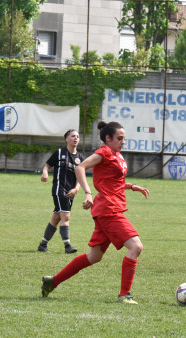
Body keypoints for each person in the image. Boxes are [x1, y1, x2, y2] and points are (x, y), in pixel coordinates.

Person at [41, 121, 150, 304]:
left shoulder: (118, 156)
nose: (123, 142)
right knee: (136, 247)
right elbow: (80, 167)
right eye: (119, 138)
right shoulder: (105, 152)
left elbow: (112, 182)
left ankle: (53, 281)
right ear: (108, 138)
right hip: (109, 210)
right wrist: (88, 192)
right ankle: (124, 295)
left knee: (94, 256)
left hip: (108, 209)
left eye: (124, 138)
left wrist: (131, 186)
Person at [38, 129, 85, 254]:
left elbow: (81, 177)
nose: (76, 138)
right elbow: (47, 165)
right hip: (59, 189)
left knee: (56, 218)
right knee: (66, 216)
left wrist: (76, 189)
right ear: (66, 139)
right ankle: (67, 246)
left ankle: (43, 244)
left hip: (71, 192)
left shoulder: (80, 158)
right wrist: (45, 173)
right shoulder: (59, 153)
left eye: (78, 136)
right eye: (73, 136)